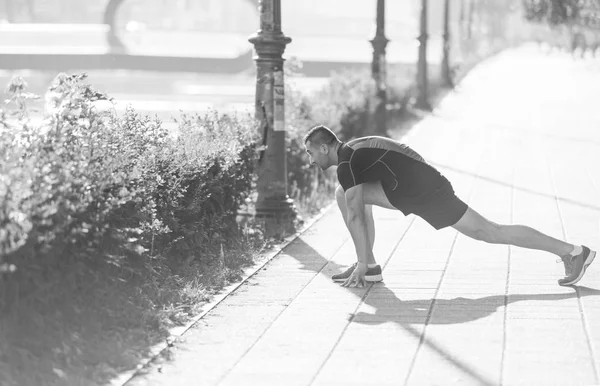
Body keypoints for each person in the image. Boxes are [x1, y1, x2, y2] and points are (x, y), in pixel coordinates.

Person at [303, 125, 596, 288]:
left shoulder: (347, 162)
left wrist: (360, 262)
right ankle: (370, 267)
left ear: (324, 147)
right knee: (345, 194)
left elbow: (356, 215)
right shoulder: (351, 151)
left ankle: (572, 252)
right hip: (411, 188)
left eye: (310, 152)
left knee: (488, 232)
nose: (310, 159)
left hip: (427, 192)